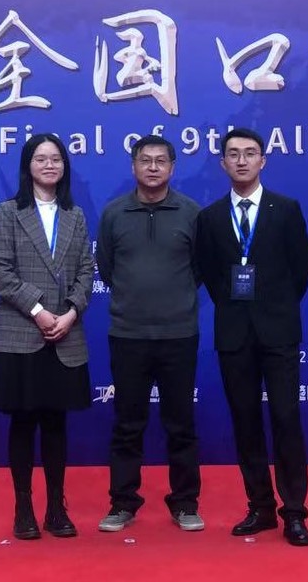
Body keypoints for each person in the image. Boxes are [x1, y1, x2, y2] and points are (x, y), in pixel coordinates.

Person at [195, 128, 308, 547]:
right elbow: (210, 275)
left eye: (250, 153)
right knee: (245, 422)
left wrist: (273, 307)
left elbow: (301, 270)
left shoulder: (286, 209)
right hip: (234, 333)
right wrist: (236, 309)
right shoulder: (210, 218)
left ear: (263, 161)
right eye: (233, 154)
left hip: (279, 331)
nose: (242, 160)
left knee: (286, 418)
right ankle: (260, 507)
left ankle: (294, 512)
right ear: (223, 163)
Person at [0, 133, 96, 541]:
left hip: (65, 333)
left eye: (56, 159)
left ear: (65, 166)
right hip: (21, 332)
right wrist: (38, 311)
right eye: (41, 159)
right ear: (28, 166)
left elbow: (87, 271)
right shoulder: (8, 212)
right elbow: (0, 271)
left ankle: (55, 508)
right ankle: (23, 508)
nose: (49, 165)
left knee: (56, 423)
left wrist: (70, 313)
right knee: (23, 422)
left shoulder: (75, 215)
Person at [95, 135, 205, 533]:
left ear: (173, 168)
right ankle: (123, 503)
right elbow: (107, 268)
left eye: (161, 161)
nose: (153, 167)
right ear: (134, 167)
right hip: (128, 333)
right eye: (146, 160)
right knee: (128, 424)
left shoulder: (192, 213)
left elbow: (200, 270)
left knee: (181, 424)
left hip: (178, 334)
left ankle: (185, 503)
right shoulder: (114, 213)